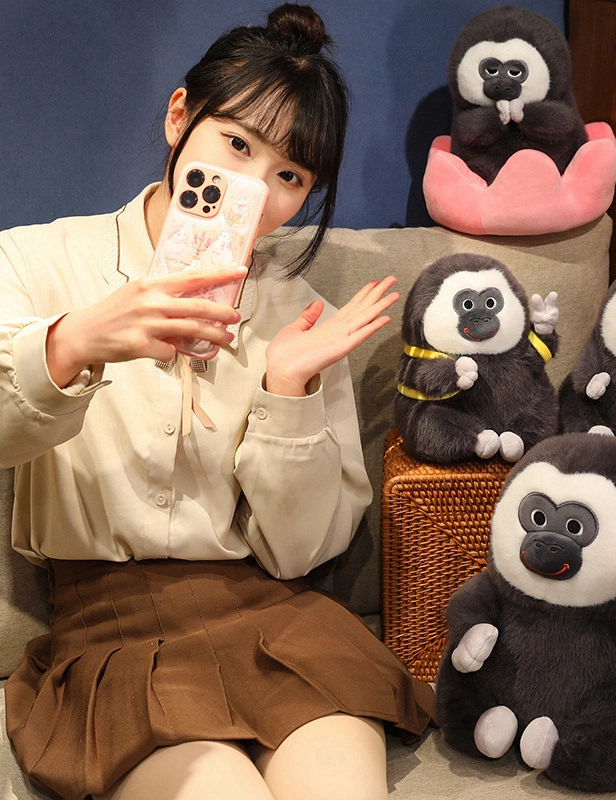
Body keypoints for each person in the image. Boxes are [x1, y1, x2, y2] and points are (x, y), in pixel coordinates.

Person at [0, 5, 435, 799]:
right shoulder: (37, 260)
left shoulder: (301, 314)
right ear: (180, 116)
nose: (254, 190)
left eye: (290, 176)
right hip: (112, 634)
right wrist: (76, 341)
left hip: (274, 617)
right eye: (237, 145)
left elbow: (302, 553)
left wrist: (287, 392)